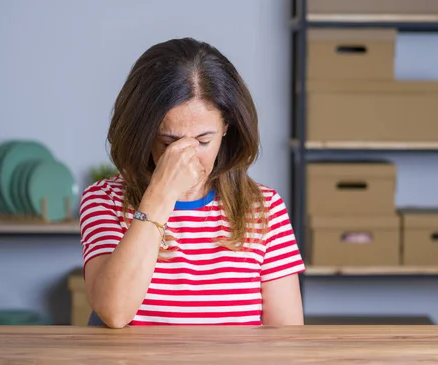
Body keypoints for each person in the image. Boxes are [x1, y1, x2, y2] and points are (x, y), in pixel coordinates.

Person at [79, 37, 306, 328]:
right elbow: (114, 311)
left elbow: (286, 340)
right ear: (143, 133)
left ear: (226, 128)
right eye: (168, 141)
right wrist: (162, 193)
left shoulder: (265, 208)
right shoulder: (104, 200)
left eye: (203, 140)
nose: (186, 157)